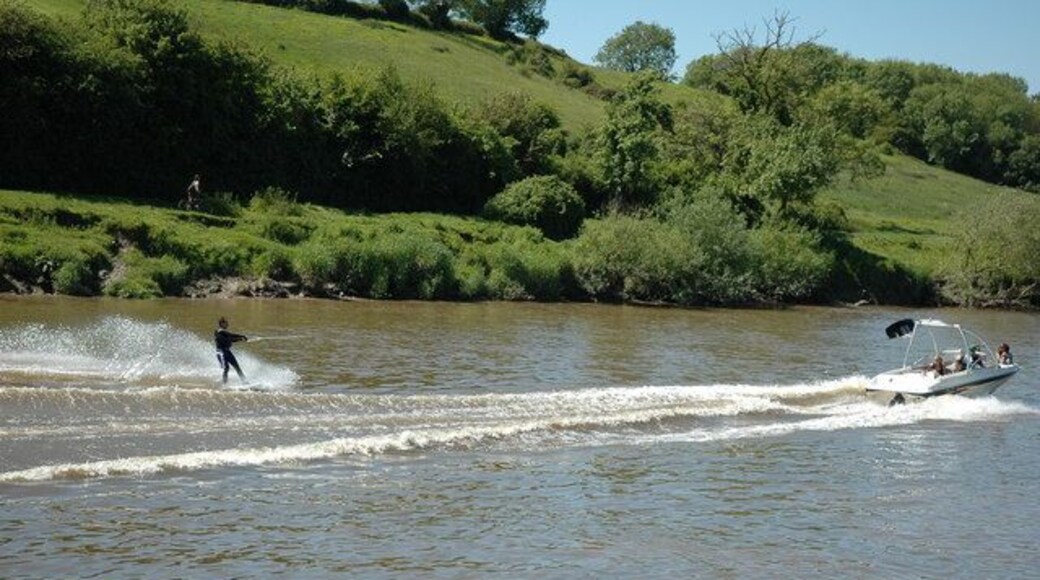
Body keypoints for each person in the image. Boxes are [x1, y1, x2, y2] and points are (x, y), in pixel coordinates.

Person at [215, 316, 248, 384]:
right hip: (221, 353)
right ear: (222, 324)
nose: (228, 325)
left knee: (237, 367)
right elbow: (228, 340)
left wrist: (242, 336)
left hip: (227, 352)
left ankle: (245, 382)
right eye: (226, 323)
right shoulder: (219, 333)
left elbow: (232, 335)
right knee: (226, 368)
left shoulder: (224, 332)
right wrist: (239, 339)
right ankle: (224, 384)